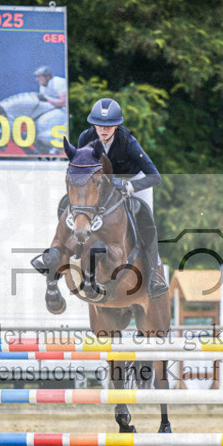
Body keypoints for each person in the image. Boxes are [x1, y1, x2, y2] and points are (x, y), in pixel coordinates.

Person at [77, 97, 169, 299]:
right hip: (103, 184)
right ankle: (71, 253)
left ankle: (154, 276)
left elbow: (155, 176)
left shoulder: (128, 141)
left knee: (146, 218)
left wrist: (131, 185)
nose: (103, 130)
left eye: (108, 126)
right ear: (93, 124)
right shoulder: (85, 138)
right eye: (99, 125)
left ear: (117, 125)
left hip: (134, 181)